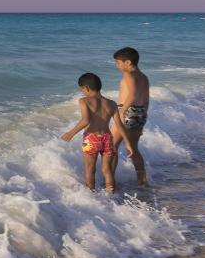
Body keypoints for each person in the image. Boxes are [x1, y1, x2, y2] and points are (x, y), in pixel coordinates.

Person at [61, 72, 133, 193]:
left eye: (82, 89)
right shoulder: (111, 103)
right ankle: (111, 195)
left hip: (91, 138)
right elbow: (119, 125)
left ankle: (91, 196)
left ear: (86, 88)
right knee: (107, 170)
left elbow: (85, 120)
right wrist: (127, 142)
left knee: (90, 169)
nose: (82, 92)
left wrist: (71, 133)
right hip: (107, 138)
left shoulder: (84, 101)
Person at [110, 47, 150, 185]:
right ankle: (142, 180)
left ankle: (110, 181)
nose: (117, 65)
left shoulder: (128, 75)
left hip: (126, 112)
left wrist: (121, 113)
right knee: (133, 149)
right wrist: (143, 117)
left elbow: (132, 95)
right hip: (140, 113)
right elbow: (145, 100)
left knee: (112, 147)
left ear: (127, 62)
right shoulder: (144, 77)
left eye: (118, 62)